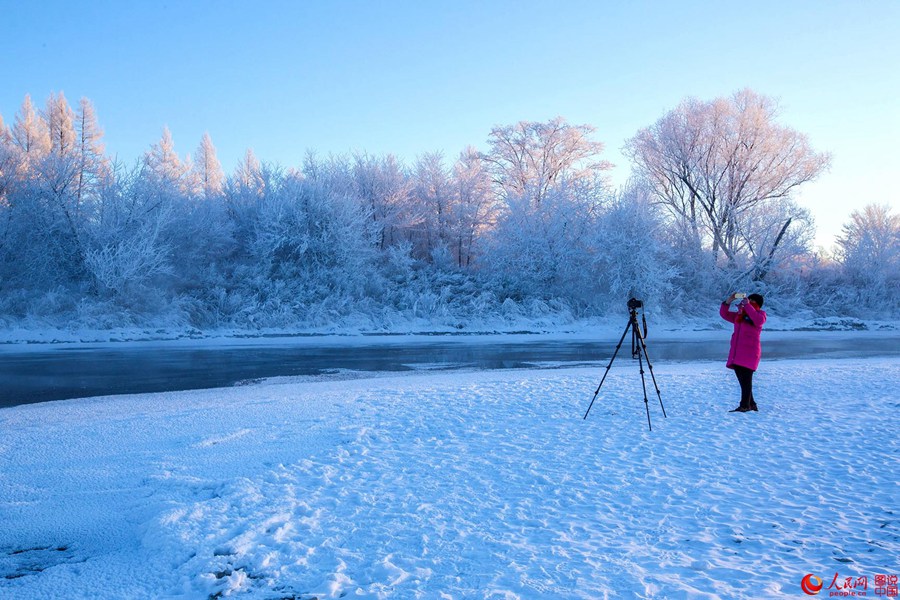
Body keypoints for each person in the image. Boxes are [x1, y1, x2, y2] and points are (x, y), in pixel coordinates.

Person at [719, 293, 767, 413]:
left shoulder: (760, 315)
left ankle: (745, 405)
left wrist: (747, 306)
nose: (748, 302)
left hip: (750, 352)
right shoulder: (739, 316)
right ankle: (751, 404)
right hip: (738, 352)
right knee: (743, 380)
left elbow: (758, 320)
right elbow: (724, 314)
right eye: (748, 300)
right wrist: (729, 300)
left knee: (746, 380)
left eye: (752, 301)